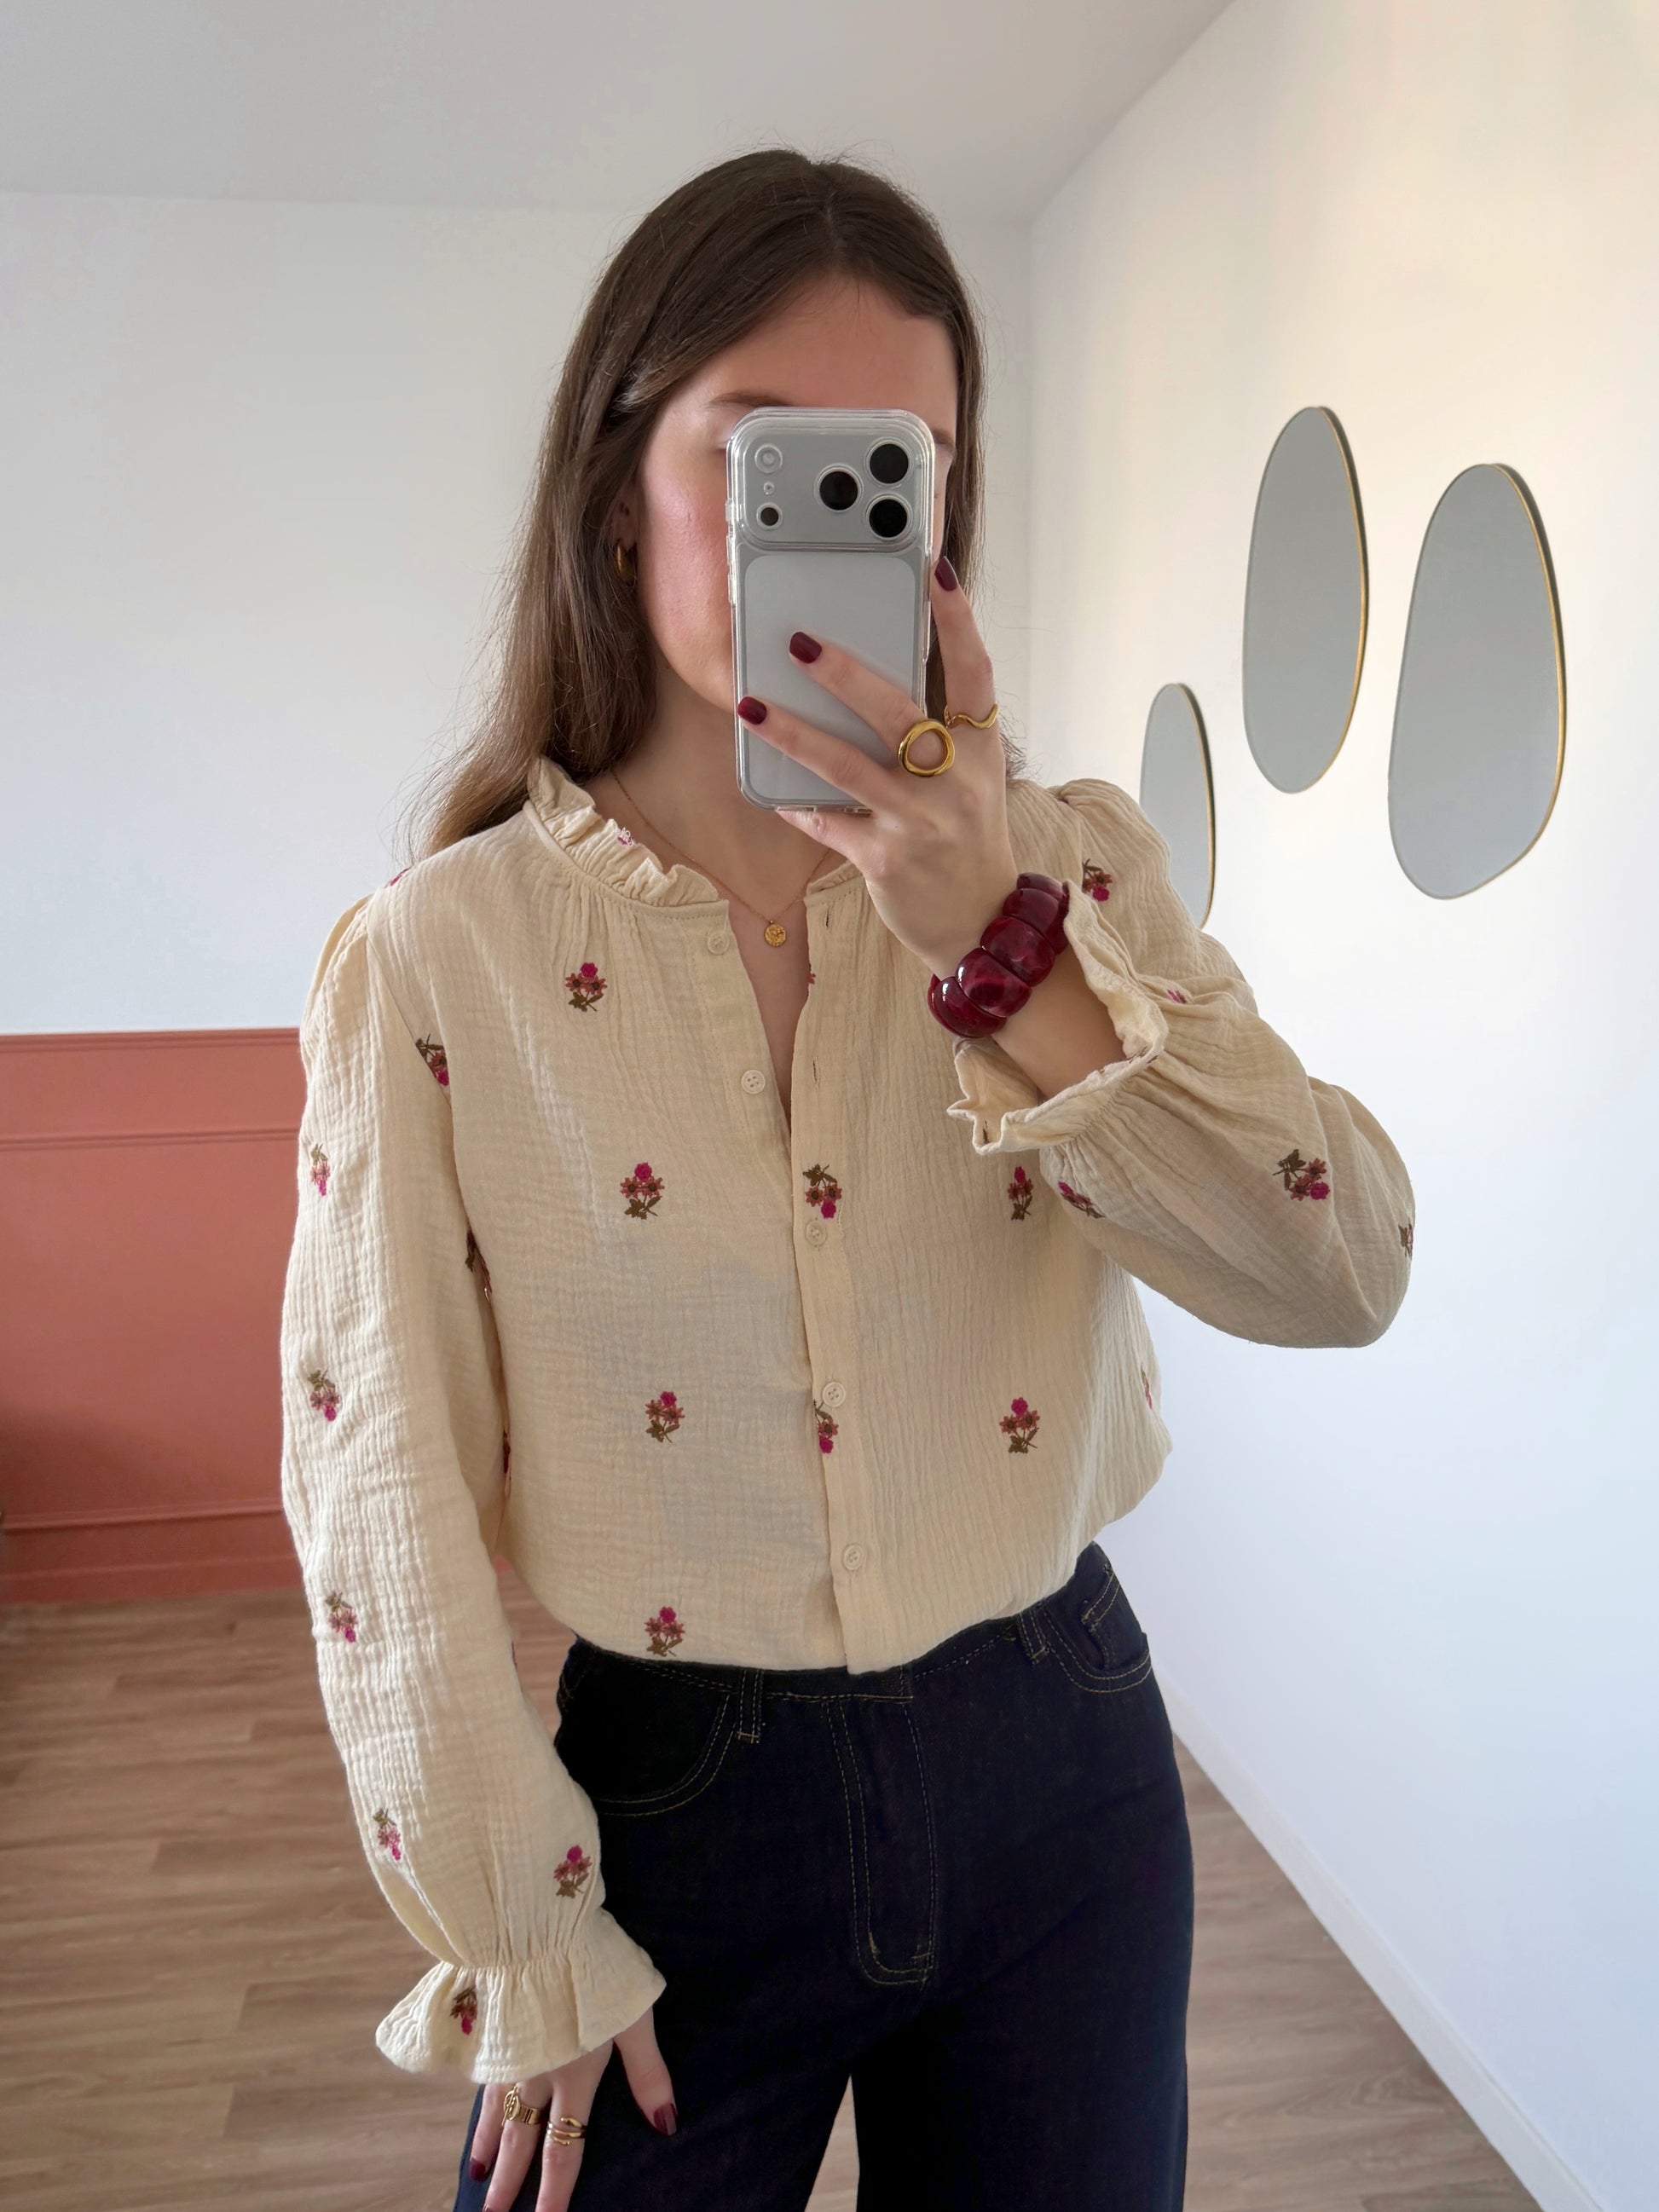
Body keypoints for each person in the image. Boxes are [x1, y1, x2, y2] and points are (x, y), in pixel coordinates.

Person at [279, 147, 1413, 2212]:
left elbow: (1335, 1267)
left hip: (1063, 1754)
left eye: (896, 468)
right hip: (672, 1808)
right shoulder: (441, 960)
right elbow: (381, 1490)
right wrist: (513, 1933)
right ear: (613, 486)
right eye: (760, 452)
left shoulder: (1074, 878)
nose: (827, 517)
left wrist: (1000, 946)